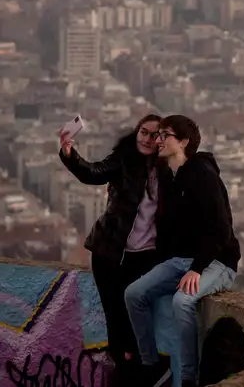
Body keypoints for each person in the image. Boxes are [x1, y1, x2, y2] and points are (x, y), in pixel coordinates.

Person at [124, 114, 241, 387]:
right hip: (181, 260)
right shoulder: (171, 178)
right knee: (134, 294)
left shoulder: (203, 175)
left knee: (182, 301)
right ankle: (151, 363)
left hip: (218, 262)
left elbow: (221, 230)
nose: (158, 140)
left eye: (166, 135)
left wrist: (197, 268)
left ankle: (188, 377)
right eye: (158, 135)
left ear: (184, 142)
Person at [58, 113, 164, 380]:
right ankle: (122, 369)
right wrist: (70, 153)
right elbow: (93, 173)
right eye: (144, 132)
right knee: (115, 314)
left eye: (155, 134)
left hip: (146, 257)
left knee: (140, 315)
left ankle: (140, 367)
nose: (148, 139)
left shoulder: (168, 170)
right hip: (111, 251)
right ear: (136, 133)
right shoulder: (124, 160)